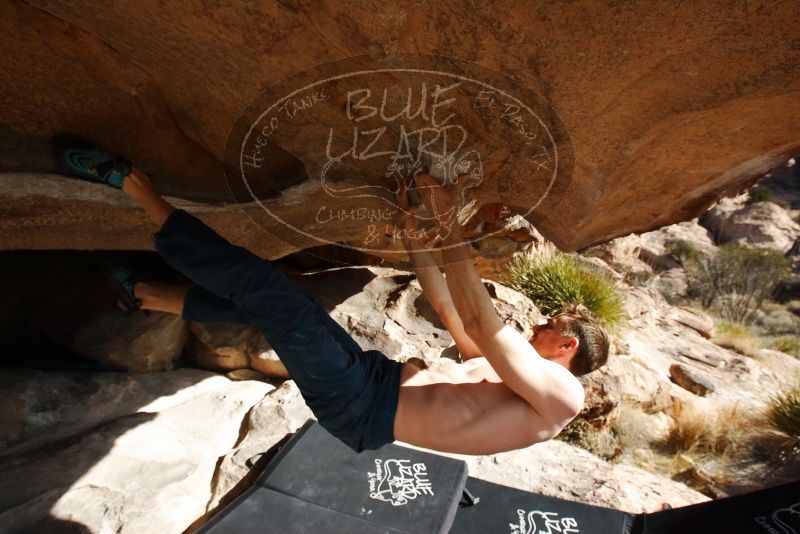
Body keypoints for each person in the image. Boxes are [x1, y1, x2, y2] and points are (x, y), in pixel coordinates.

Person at [54, 137, 609, 455]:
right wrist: (417, 234)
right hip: (371, 378)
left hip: (362, 406)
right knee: (274, 310)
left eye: (546, 326)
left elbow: (485, 324)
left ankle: (135, 187)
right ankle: (150, 295)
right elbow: (446, 307)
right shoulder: (504, 378)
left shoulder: (561, 397)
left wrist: (447, 222)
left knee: (272, 292)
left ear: (565, 344)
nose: (535, 326)